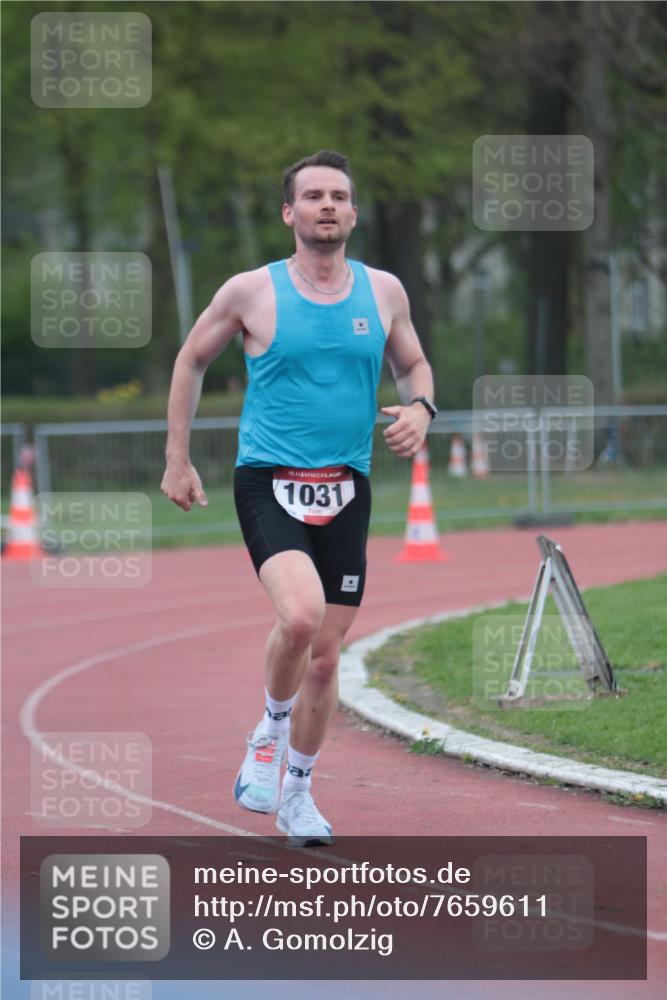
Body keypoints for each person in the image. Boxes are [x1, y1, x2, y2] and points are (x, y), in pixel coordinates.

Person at [161, 150, 436, 846]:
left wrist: (421, 408)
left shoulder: (384, 292)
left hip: (347, 485)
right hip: (268, 480)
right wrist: (177, 459)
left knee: (326, 657)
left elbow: (412, 363)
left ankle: (298, 794)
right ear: (289, 212)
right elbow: (191, 358)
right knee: (302, 617)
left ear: (353, 213)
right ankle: (268, 733)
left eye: (338, 195)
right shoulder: (250, 292)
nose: (326, 205)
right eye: (312, 195)